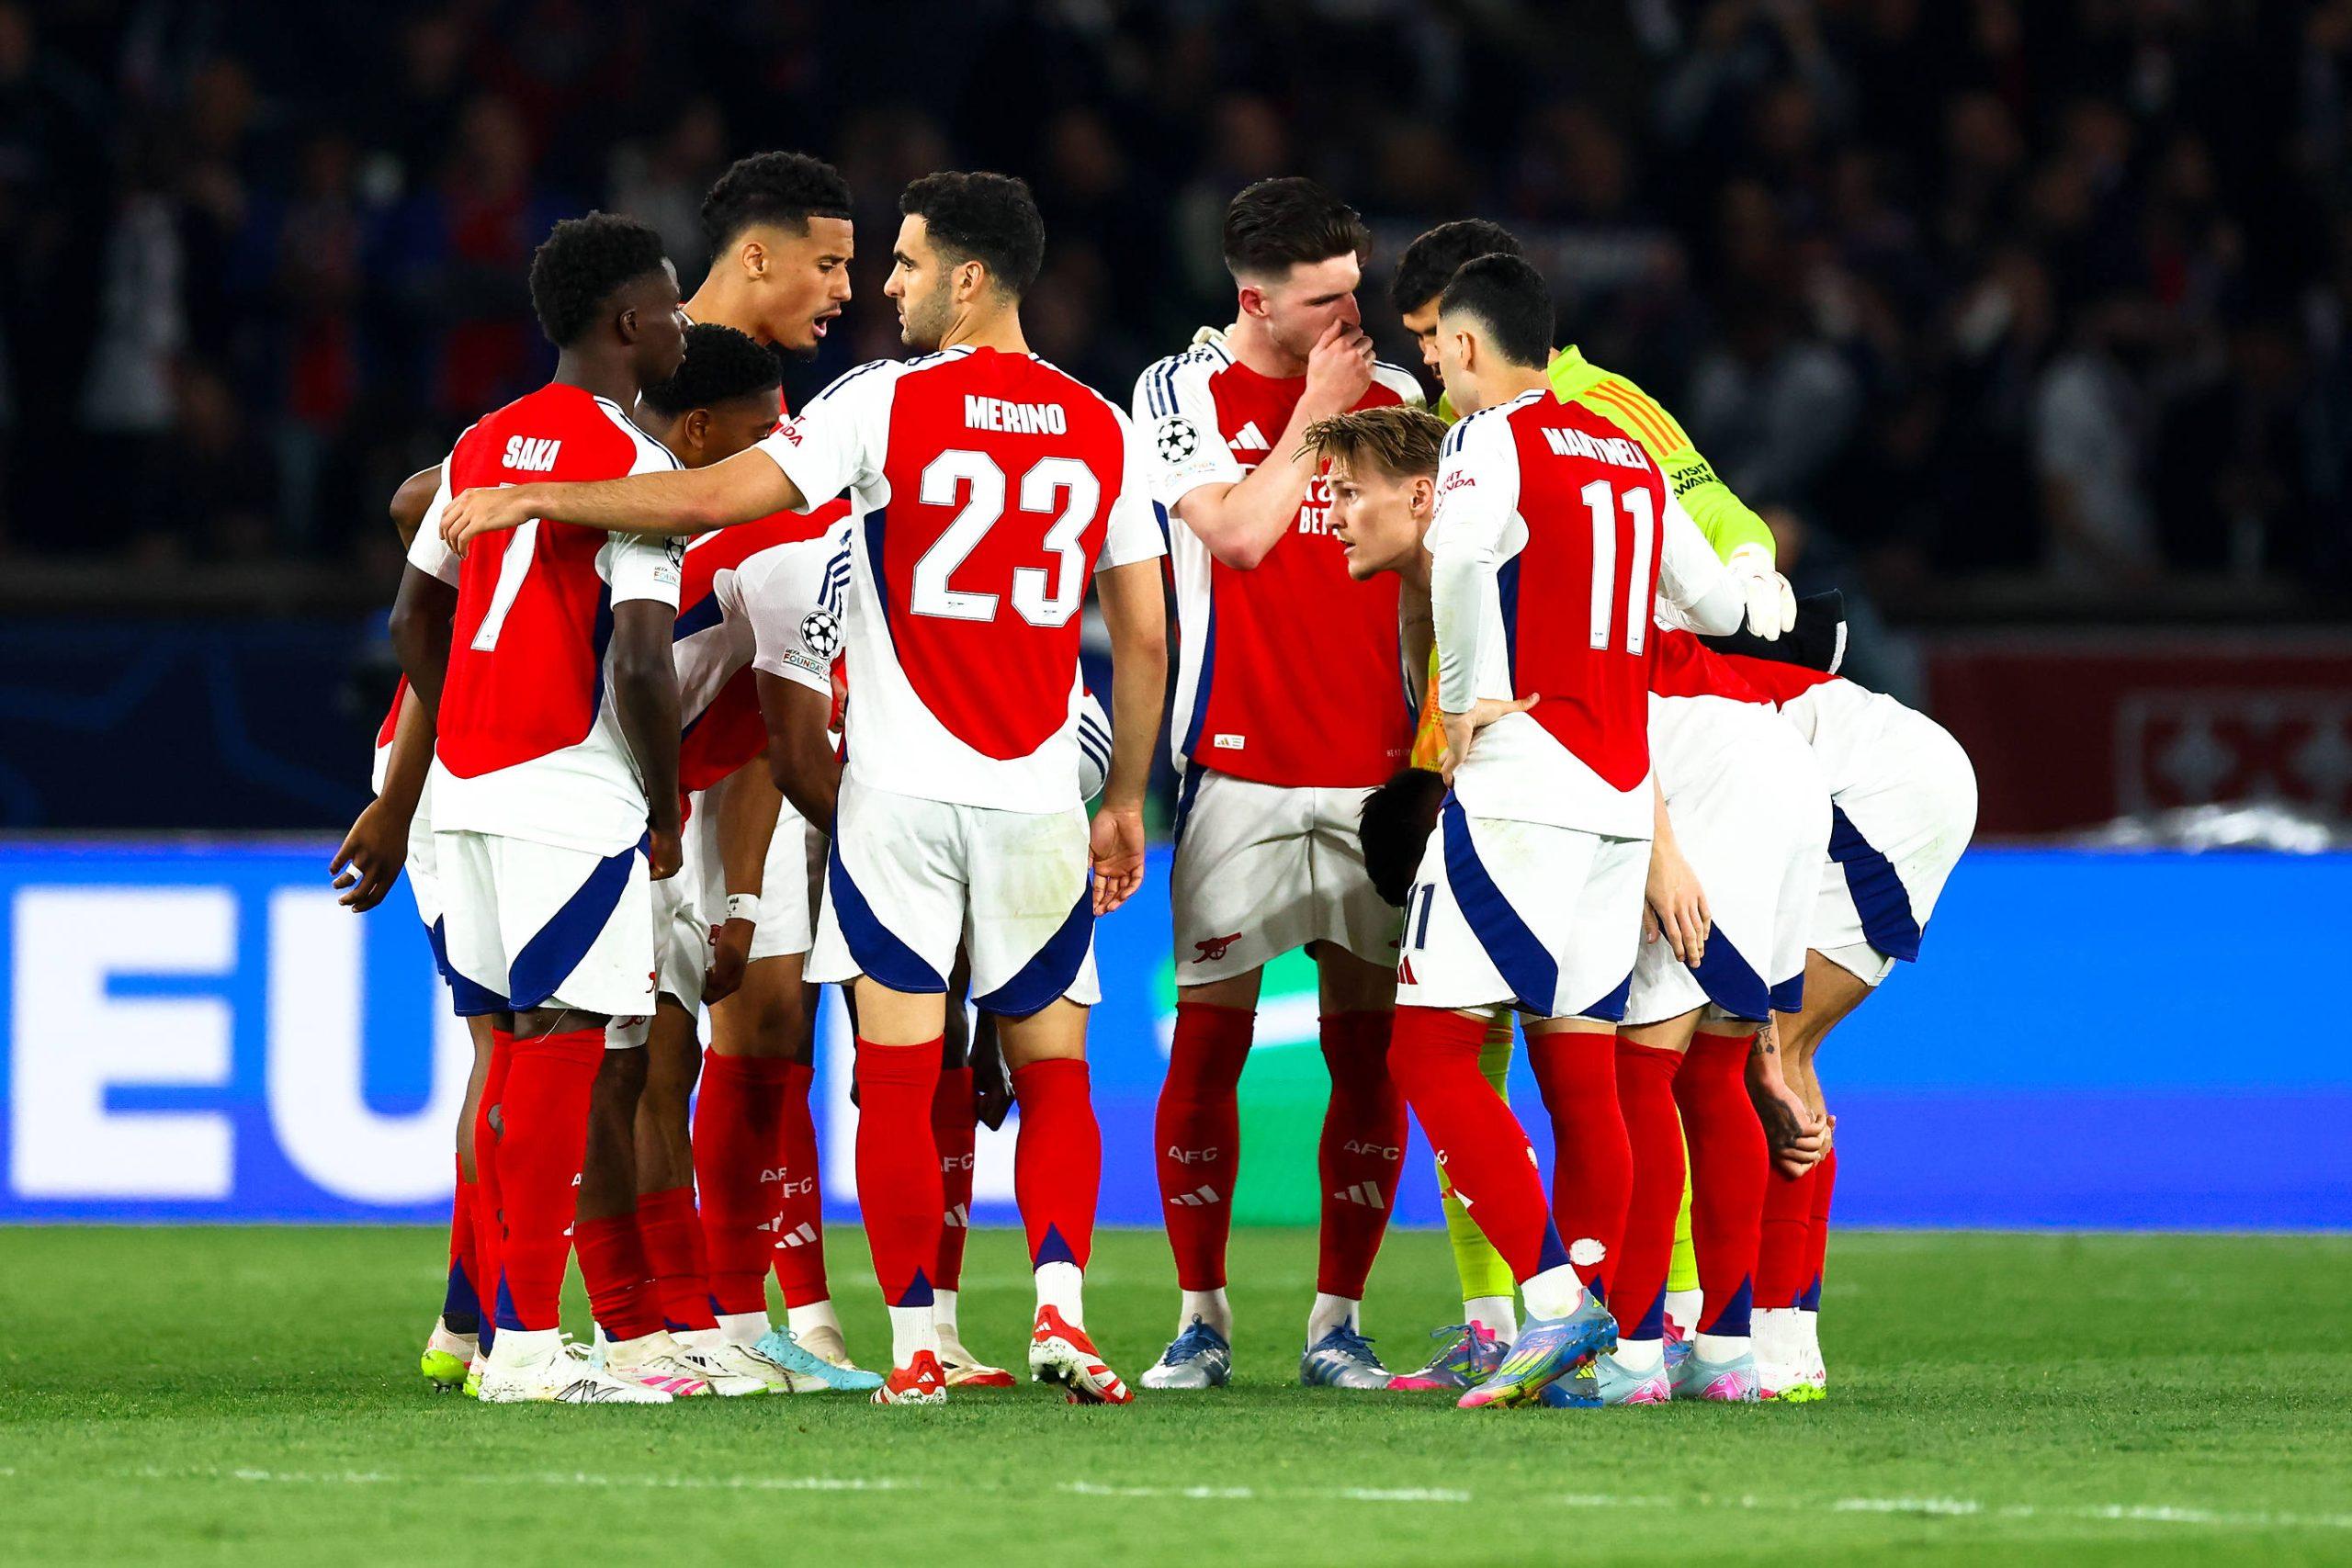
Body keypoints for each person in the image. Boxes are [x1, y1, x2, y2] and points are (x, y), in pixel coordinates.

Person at [439, 171, 1169, 1409]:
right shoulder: (1104, 422)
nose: (887, 284)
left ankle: (918, 1339)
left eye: (907, 261)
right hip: (1042, 785)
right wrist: (1127, 795)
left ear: (970, 278)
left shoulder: (879, 403)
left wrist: (542, 492)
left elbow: (712, 492)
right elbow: (1144, 635)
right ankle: (1063, 1311)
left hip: (899, 789)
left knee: (893, 1067)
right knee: (1052, 1069)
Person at [1380, 218, 1800, 1393]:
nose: (1431, 372)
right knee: (1581, 1070)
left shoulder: (1488, 444)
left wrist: (1461, 706)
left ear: (1466, 346)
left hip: (1523, 791)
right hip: (1623, 801)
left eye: (1434, 351)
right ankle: (1609, 1328)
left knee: (1427, 1048)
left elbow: (1459, 559)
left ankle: (1557, 1304)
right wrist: (1780, 616)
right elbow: (1719, 609)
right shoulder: (1623, 450)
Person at [1130, 177, 1427, 1392]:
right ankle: (1200, 1318)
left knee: (1373, 1058)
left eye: (1358, 288)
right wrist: (1314, 412)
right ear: (1256, 299)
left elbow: (1429, 582)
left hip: (1377, 778)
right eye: (1327, 299)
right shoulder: (1176, 389)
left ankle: (1337, 1321)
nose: (1358, 316)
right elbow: (1239, 535)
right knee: (1209, 1047)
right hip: (1236, 771)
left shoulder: (1406, 400)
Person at [390, 211, 693, 1404]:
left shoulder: (483, 442)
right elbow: (638, 656)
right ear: (628, 323)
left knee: (512, 1055)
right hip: (568, 793)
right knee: (565, 1050)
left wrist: (464, 720)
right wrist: (662, 799)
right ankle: (523, 1349)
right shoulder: (638, 466)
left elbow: (416, 618)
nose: (682, 323)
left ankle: (510, 1335)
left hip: (465, 788)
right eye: (670, 304)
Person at [619, 320, 880, 1394]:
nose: (788, 445)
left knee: (655, 1064)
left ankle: (704, 1325)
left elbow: (757, 752)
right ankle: (638, 1330)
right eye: (768, 430)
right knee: (629, 1070)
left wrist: (731, 903)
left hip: (662, 807)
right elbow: (780, 738)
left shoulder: (772, 537)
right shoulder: (789, 543)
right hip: (602, 802)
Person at [1707, 612, 1978, 1400]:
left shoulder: (1655, 703)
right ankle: (1785, 1339)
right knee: (1786, 1056)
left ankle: (1759, 1340)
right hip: (1896, 772)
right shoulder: (1677, 674)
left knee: (1763, 1056)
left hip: (1879, 793)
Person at [330, 466, 494, 1393]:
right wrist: (397, 804)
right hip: (463, 757)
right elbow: (409, 502)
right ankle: (495, 1320)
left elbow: (409, 502)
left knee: (521, 1042)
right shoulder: (593, 437)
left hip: (496, 758)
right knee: (516, 1039)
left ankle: (470, 1318)